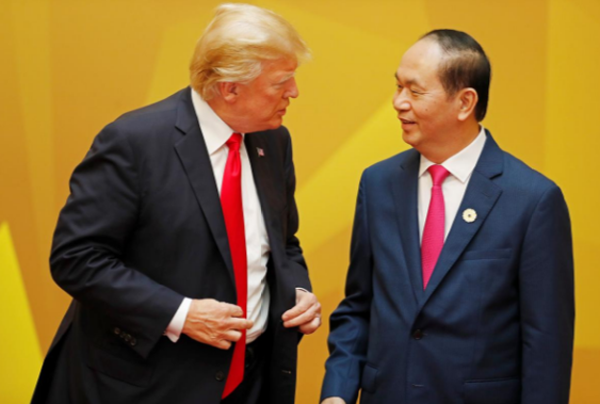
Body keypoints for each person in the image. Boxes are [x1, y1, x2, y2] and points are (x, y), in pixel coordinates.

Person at [31, 4, 321, 404]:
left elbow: (283, 243)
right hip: (148, 384)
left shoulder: (273, 140)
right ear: (230, 88)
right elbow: (76, 258)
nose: (294, 92)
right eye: (281, 82)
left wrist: (298, 290)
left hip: (249, 381)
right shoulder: (134, 142)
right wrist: (181, 314)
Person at [321, 29, 574, 404]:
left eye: (414, 91)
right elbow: (359, 307)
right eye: (398, 87)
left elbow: (546, 344)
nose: (398, 102)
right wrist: (337, 392)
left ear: (464, 102)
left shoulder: (533, 200)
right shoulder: (378, 184)